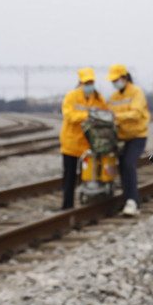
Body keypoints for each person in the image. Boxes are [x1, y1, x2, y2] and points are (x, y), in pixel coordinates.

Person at [105, 64, 150, 217]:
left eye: (115, 80)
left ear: (124, 78)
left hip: (137, 136)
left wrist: (116, 117)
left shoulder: (136, 92)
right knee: (121, 168)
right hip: (120, 137)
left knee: (128, 164)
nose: (113, 83)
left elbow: (136, 113)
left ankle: (133, 202)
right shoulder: (114, 96)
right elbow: (108, 113)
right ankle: (127, 199)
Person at [59, 68, 106, 210]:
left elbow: (105, 114)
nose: (89, 85)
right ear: (80, 82)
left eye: (91, 82)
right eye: (86, 82)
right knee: (69, 177)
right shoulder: (71, 96)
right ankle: (67, 206)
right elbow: (69, 115)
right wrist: (89, 116)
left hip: (88, 145)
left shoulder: (98, 99)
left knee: (88, 176)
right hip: (71, 144)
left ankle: (85, 204)